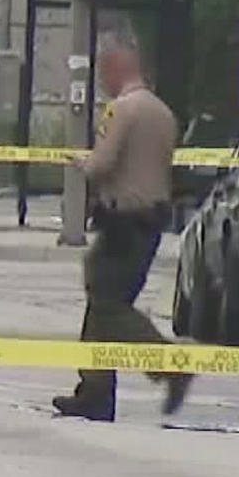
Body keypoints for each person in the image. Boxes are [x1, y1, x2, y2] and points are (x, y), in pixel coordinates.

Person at [53, 30, 192, 422]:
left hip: (121, 220)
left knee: (109, 305)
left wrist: (80, 162)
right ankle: (95, 390)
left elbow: (102, 164)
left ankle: (168, 366)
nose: (101, 81)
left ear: (116, 69)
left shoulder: (121, 110)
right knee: (102, 304)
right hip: (150, 220)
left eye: (104, 72)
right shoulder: (164, 113)